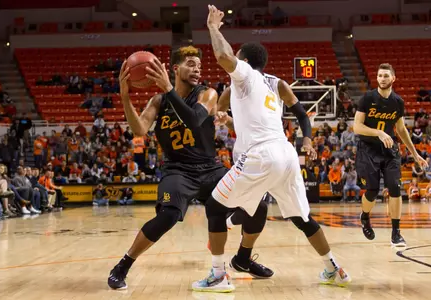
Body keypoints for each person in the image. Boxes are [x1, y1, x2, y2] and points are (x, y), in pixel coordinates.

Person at [193, 5, 351, 293]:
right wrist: (305, 139)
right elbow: (300, 114)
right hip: (285, 154)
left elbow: (222, 55)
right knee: (301, 218)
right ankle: (333, 268)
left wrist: (214, 28)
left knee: (215, 207)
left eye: (238, 58)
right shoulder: (276, 84)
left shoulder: (245, 76)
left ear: (244, 60)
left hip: (260, 157)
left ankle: (218, 275)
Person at [107, 45, 272, 290]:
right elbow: (139, 129)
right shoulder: (159, 100)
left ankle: (243, 259)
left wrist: (168, 88)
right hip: (177, 171)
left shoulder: (208, 94)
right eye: (191, 64)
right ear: (175, 68)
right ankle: (122, 265)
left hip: (210, 169)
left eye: (199, 65)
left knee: (258, 204)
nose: (197, 69)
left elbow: (194, 119)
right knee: (168, 216)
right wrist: (124, 97)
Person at [353, 63, 428, 247]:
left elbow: (401, 130)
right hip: (368, 149)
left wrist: (415, 154)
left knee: (395, 187)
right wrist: (379, 133)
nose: (382, 79)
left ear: (393, 78)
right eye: (379, 76)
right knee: (372, 192)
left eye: (386, 76)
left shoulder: (398, 102)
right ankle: (364, 216)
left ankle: (396, 233)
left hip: (389, 150)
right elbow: (357, 127)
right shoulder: (367, 98)